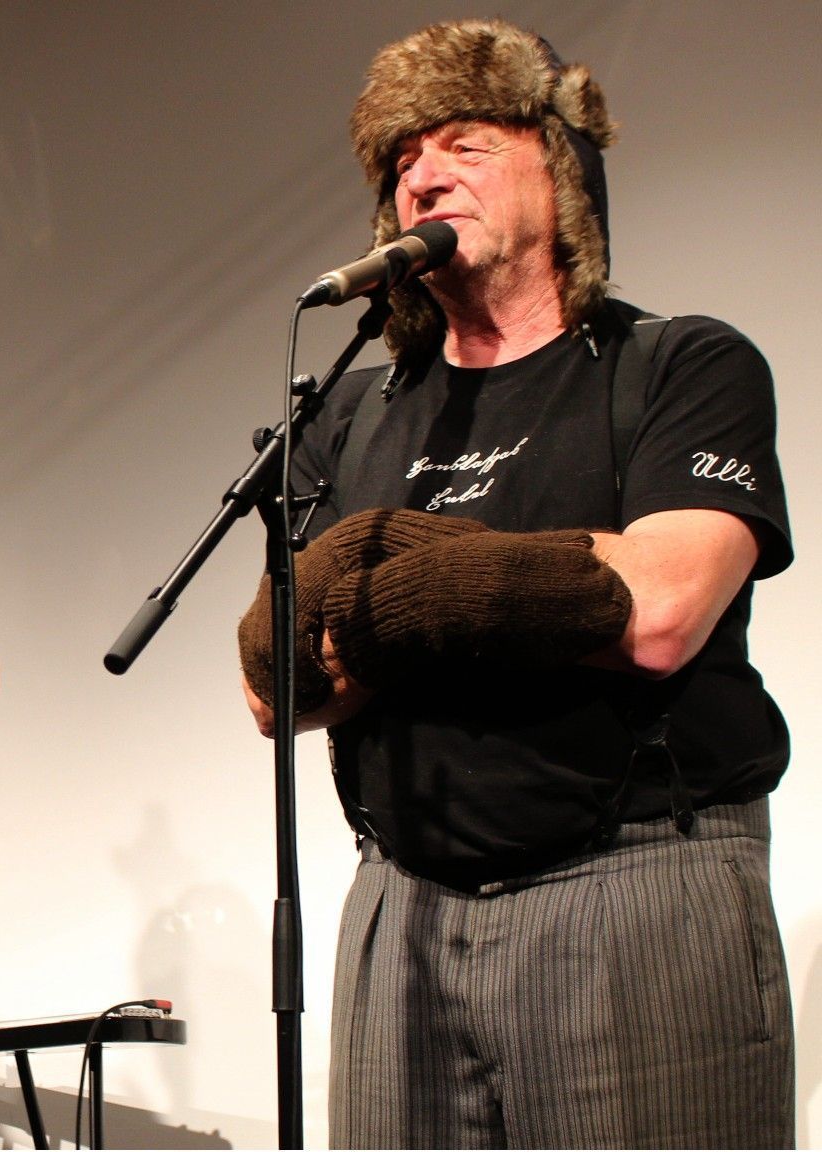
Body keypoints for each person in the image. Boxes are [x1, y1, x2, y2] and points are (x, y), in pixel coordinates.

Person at [238, 18, 794, 1147]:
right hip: (403, 898)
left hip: (634, 882)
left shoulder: (681, 364)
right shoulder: (348, 415)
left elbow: (657, 612)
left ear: (563, 170)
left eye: (466, 144)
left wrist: (379, 572)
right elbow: (279, 687)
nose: (424, 177)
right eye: (403, 160)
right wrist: (527, 584)